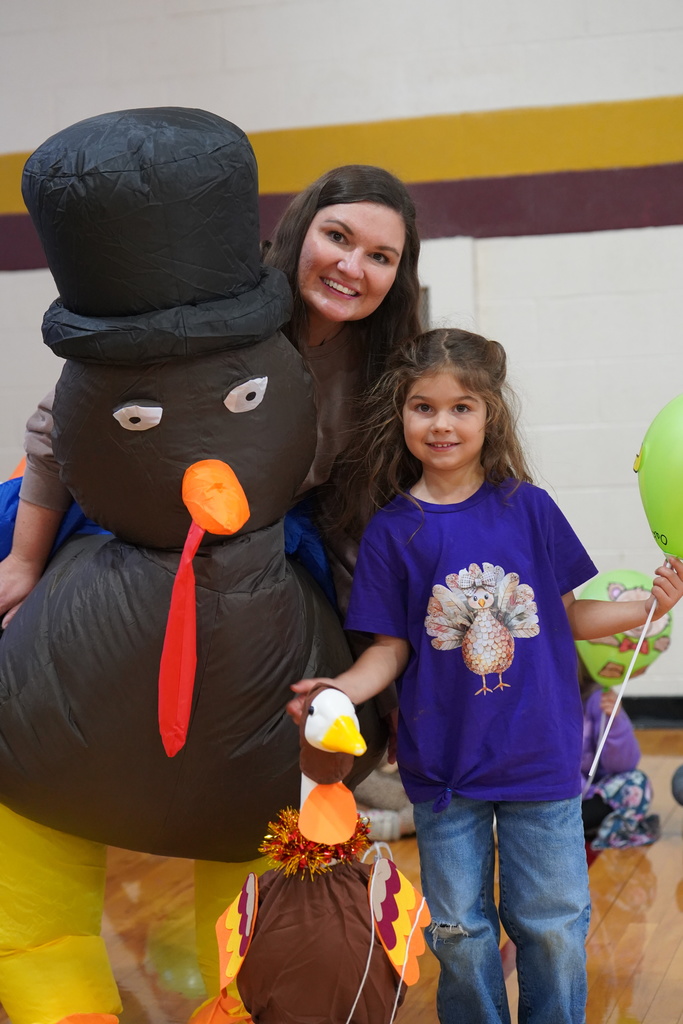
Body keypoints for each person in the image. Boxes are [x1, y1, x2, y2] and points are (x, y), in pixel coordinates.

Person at [287, 327, 683, 1024]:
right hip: (443, 772)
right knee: (459, 932)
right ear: (400, 415)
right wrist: (339, 688)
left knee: (552, 927)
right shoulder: (392, 531)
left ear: (489, 414)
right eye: (423, 406)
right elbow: (390, 651)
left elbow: (566, 617)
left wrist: (645, 607)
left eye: (461, 406)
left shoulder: (527, 508)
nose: (441, 423)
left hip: (540, 760)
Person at [0, 164, 422, 626]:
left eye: (380, 257)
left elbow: (350, 510)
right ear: (301, 231)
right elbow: (57, 428)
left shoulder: (381, 369)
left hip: (254, 539)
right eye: (338, 237)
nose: (352, 267)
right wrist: (24, 562)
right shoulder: (215, 311)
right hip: (118, 516)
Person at [580, 665, 660, 850]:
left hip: (583, 800)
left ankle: (586, 828)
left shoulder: (597, 698)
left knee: (636, 783)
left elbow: (625, 765)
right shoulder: (543, 703)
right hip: (554, 798)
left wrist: (614, 721)